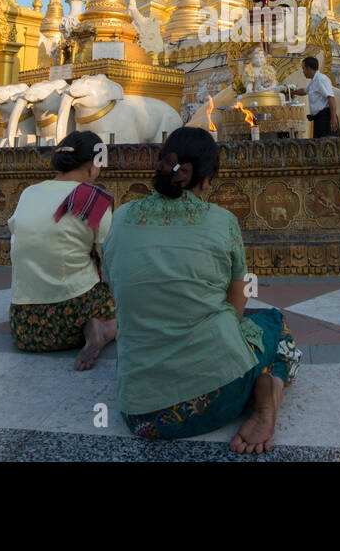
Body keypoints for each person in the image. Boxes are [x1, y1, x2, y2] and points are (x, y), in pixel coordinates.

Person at [103, 127, 301, 454]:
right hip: (217, 395)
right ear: (207, 178)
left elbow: (119, 293)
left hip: (140, 413)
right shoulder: (222, 221)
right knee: (274, 323)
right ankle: (269, 388)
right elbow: (236, 310)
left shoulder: (122, 217)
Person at [6, 130, 117, 371]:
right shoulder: (92, 197)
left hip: (26, 328)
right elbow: (112, 257)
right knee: (133, 307)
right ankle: (104, 328)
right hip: (73, 317)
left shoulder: (29, 192)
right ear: (92, 166)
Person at [290, 55, 338, 137]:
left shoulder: (321, 79)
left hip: (325, 118)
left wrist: (333, 118)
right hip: (319, 119)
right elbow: (304, 91)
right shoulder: (314, 81)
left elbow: (331, 98)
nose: (303, 71)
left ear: (309, 68)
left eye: (303, 68)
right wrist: (291, 92)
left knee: (326, 145)